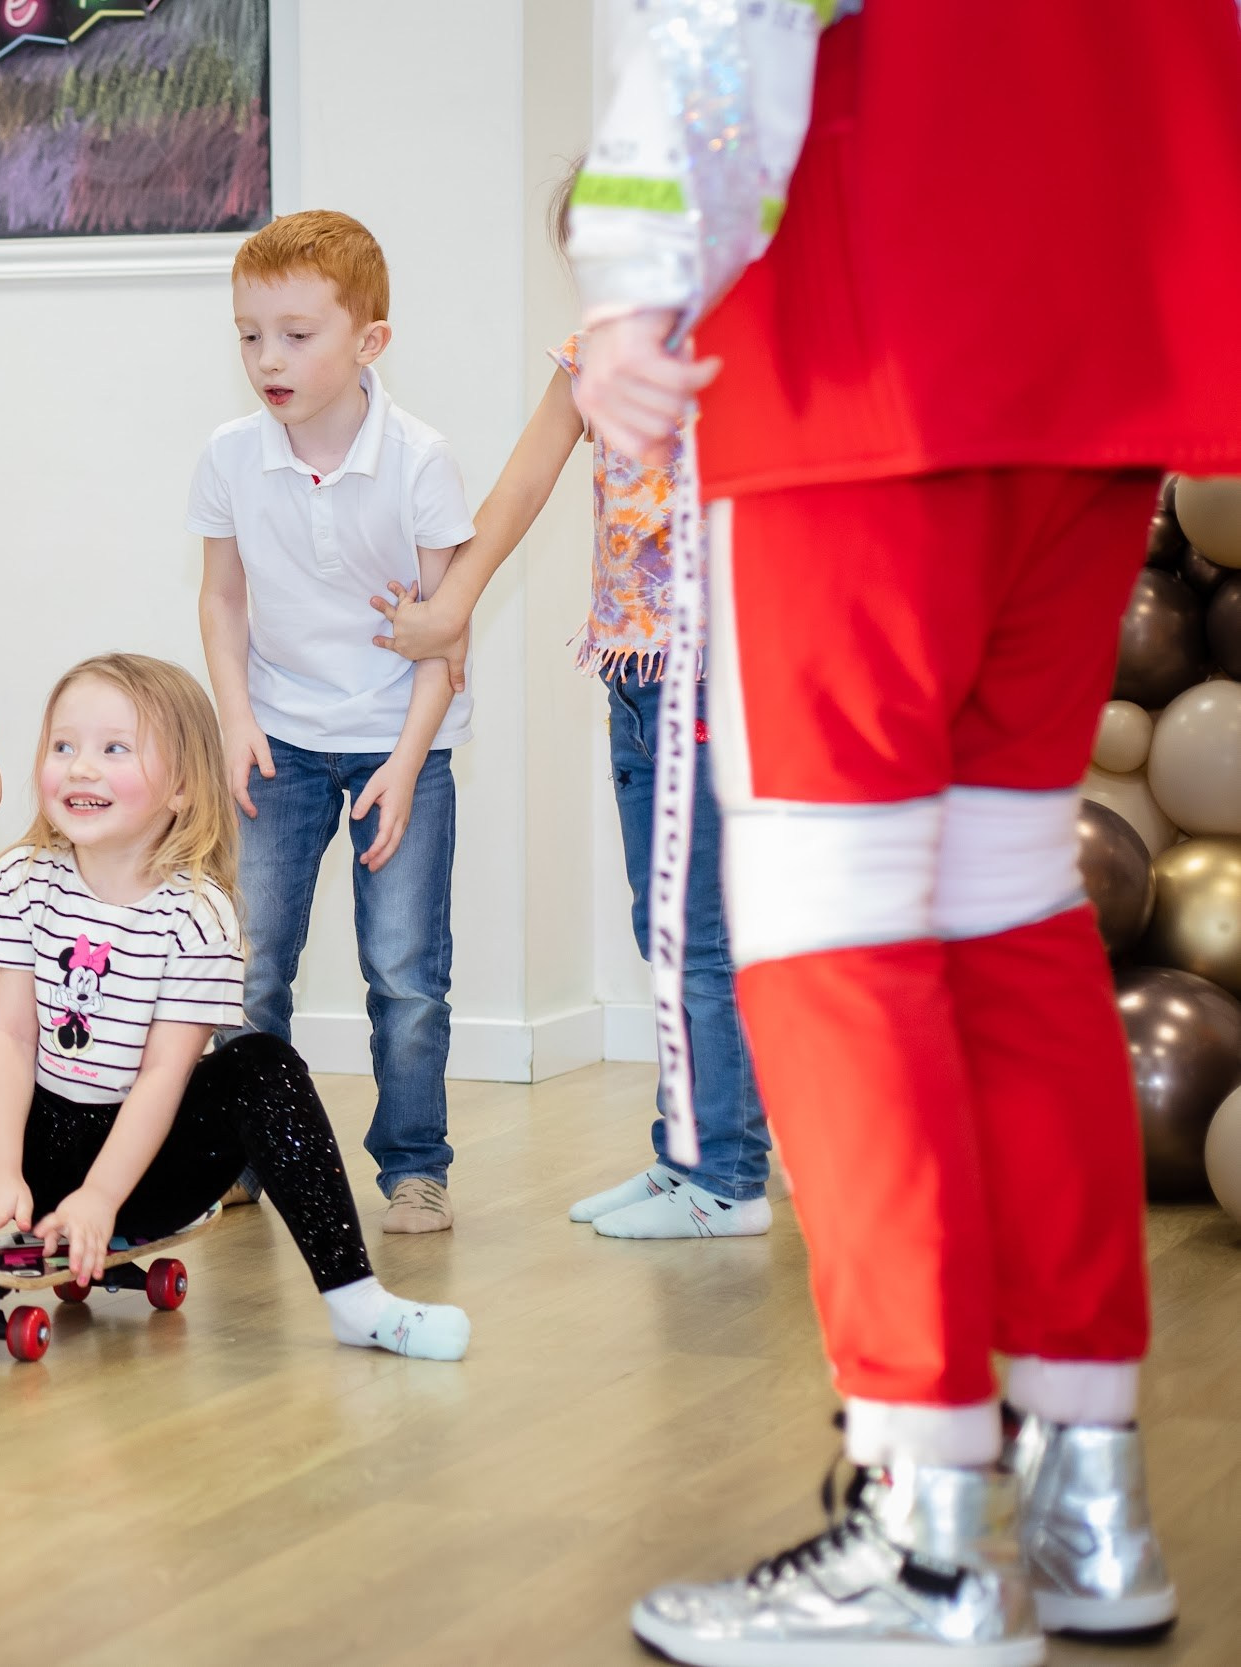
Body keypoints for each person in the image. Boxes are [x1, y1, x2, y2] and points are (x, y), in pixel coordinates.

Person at [563, 3, 1241, 1660]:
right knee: (1005, 896)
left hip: (874, 301)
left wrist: (626, 280)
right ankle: (1089, 1505)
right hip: (1106, 309)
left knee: (831, 921)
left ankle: (927, 1530)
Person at [0, 654, 471, 1363]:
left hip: (145, 1168)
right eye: (64, 746)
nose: (80, 766)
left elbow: (162, 1076)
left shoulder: (198, 914)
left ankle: (357, 1301)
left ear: (182, 788)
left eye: (112, 748)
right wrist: (0, 1173)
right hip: (33, 1140)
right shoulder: (24, 879)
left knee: (263, 1064)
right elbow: (9, 1034)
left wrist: (98, 1198)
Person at [370, 168, 772, 1241]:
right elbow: (519, 488)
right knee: (665, 923)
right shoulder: (594, 356)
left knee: (698, 935)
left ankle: (725, 1175)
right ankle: (683, 1153)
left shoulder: (735, 352)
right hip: (634, 678)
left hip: (707, 672)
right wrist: (450, 605)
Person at [190, 210, 475, 1235]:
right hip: (280, 737)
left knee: (403, 969)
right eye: (249, 334)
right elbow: (221, 600)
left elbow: (447, 634)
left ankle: (413, 1166)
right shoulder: (230, 455)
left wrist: (406, 761)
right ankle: (240, 1152)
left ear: (368, 342)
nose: (269, 357)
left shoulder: (419, 459)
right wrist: (232, 719)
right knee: (249, 959)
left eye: (296, 334)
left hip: (406, 741)